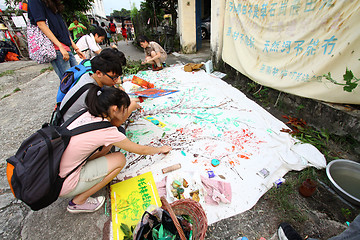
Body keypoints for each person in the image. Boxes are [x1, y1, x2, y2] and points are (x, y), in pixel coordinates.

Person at [59, 84, 172, 213]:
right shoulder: (106, 131)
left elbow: (116, 123)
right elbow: (141, 150)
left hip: (57, 169)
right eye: (124, 109)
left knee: (108, 147)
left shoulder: (87, 113)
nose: (125, 112)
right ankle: (78, 202)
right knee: (119, 159)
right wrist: (160, 149)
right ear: (114, 109)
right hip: (65, 182)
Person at [59, 48, 135, 125]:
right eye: (114, 77)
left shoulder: (87, 76)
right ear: (99, 73)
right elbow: (114, 123)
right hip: (70, 128)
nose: (116, 81)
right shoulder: (93, 93)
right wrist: (133, 106)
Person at [28, 0, 85, 80]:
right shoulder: (35, 1)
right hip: (57, 49)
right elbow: (41, 24)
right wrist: (60, 46)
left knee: (78, 77)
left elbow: (63, 29)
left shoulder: (52, 3)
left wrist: (76, 48)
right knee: (69, 82)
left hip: (66, 48)